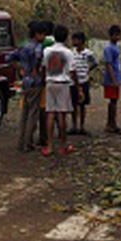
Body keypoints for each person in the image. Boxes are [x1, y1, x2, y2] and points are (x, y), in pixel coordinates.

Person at [6, 20, 47, 153]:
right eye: (43, 34)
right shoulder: (38, 48)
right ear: (37, 34)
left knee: (24, 112)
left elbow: (9, 58)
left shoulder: (23, 46)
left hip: (25, 82)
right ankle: (28, 143)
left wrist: (20, 68)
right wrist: (35, 71)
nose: (44, 37)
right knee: (33, 114)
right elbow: (38, 63)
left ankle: (21, 142)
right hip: (35, 82)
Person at [42, 24, 80, 156]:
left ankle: (50, 146)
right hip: (63, 83)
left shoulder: (46, 51)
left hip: (50, 82)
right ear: (66, 37)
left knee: (50, 114)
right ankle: (62, 146)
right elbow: (72, 71)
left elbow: (43, 67)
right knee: (61, 115)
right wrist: (78, 87)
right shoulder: (68, 53)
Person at [69, 31, 97, 135]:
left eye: (75, 39)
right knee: (73, 104)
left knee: (82, 105)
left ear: (80, 41)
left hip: (84, 80)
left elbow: (95, 63)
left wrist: (87, 71)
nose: (73, 41)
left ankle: (82, 126)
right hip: (73, 81)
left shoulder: (88, 53)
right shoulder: (71, 52)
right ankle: (74, 125)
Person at [102, 24, 121, 135]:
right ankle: (111, 124)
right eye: (116, 35)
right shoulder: (108, 48)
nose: (118, 37)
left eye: (119, 35)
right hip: (111, 78)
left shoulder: (116, 47)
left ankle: (111, 123)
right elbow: (109, 64)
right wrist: (113, 79)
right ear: (111, 36)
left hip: (117, 76)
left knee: (115, 101)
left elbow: (119, 62)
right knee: (112, 101)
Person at [37, 20, 55, 148]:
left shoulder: (44, 43)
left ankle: (43, 136)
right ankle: (49, 135)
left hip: (43, 78)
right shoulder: (53, 42)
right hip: (55, 78)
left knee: (42, 108)